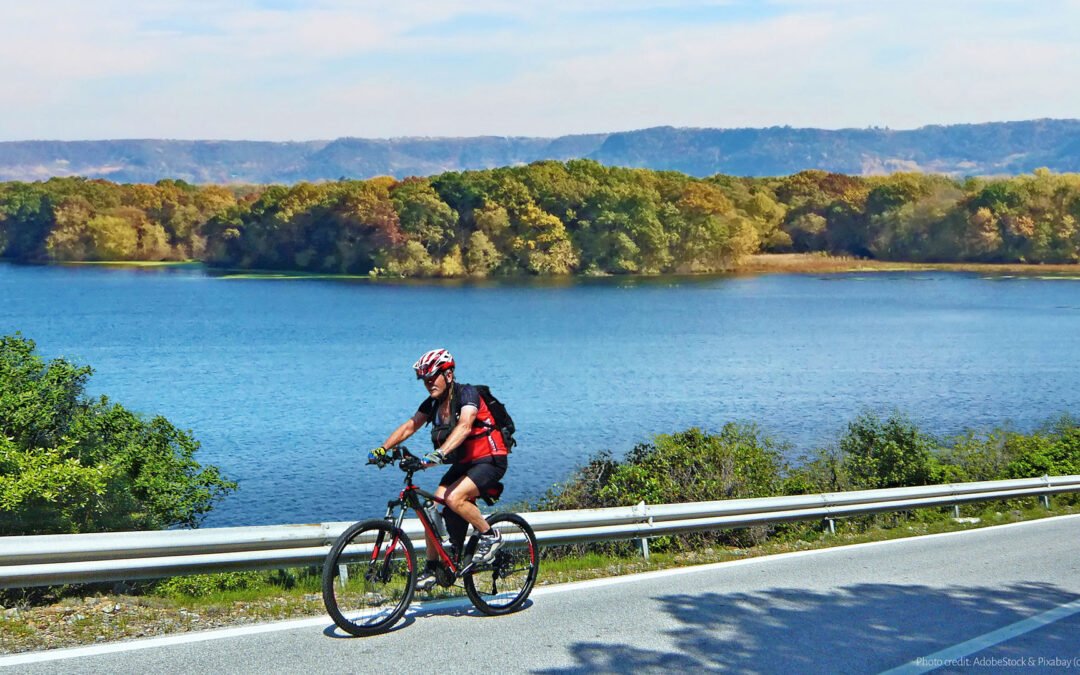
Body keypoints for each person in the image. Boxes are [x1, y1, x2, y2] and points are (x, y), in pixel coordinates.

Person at [370, 348, 509, 591]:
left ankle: (490, 536)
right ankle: (433, 568)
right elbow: (409, 427)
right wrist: (382, 449)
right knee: (431, 508)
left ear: (449, 374)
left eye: (433, 377)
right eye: (424, 379)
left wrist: (439, 454)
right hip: (465, 464)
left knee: (454, 498)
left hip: (490, 459)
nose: (428, 383)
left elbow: (465, 426)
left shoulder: (468, 394)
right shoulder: (433, 403)